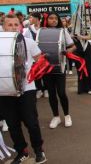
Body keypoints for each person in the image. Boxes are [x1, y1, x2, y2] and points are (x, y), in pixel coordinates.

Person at [0, 14, 47, 163]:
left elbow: (40, 59)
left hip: (27, 88)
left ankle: (39, 150)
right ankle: (22, 151)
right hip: (5, 90)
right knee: (13, 124)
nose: (13, 27)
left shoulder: (28, 42)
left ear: (20, 26)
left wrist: (34, 72)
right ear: (3, 27)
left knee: (31, 122)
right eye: (9, 25)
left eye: (16, 25)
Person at [40, 12, 76, 129]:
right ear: (46, 20)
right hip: (46, 68)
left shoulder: (63, 31)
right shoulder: (41, 32)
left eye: (56, 18)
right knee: (51, 94)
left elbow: (73, 46)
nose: (54, 20)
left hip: (60, 67)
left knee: (61, 93)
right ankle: (56, 116)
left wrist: (67, 52)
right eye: (51, 18)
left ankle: (67, 115)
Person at [23, 13, 48, 99]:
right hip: (33, 55)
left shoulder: (44, 28)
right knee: (36, 73)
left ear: (37, 18)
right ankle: (39, 89)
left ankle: (46, 89)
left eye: (31, 17)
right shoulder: (27, 30)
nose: (30, 19)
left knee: (44, 72)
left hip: (44, 53)